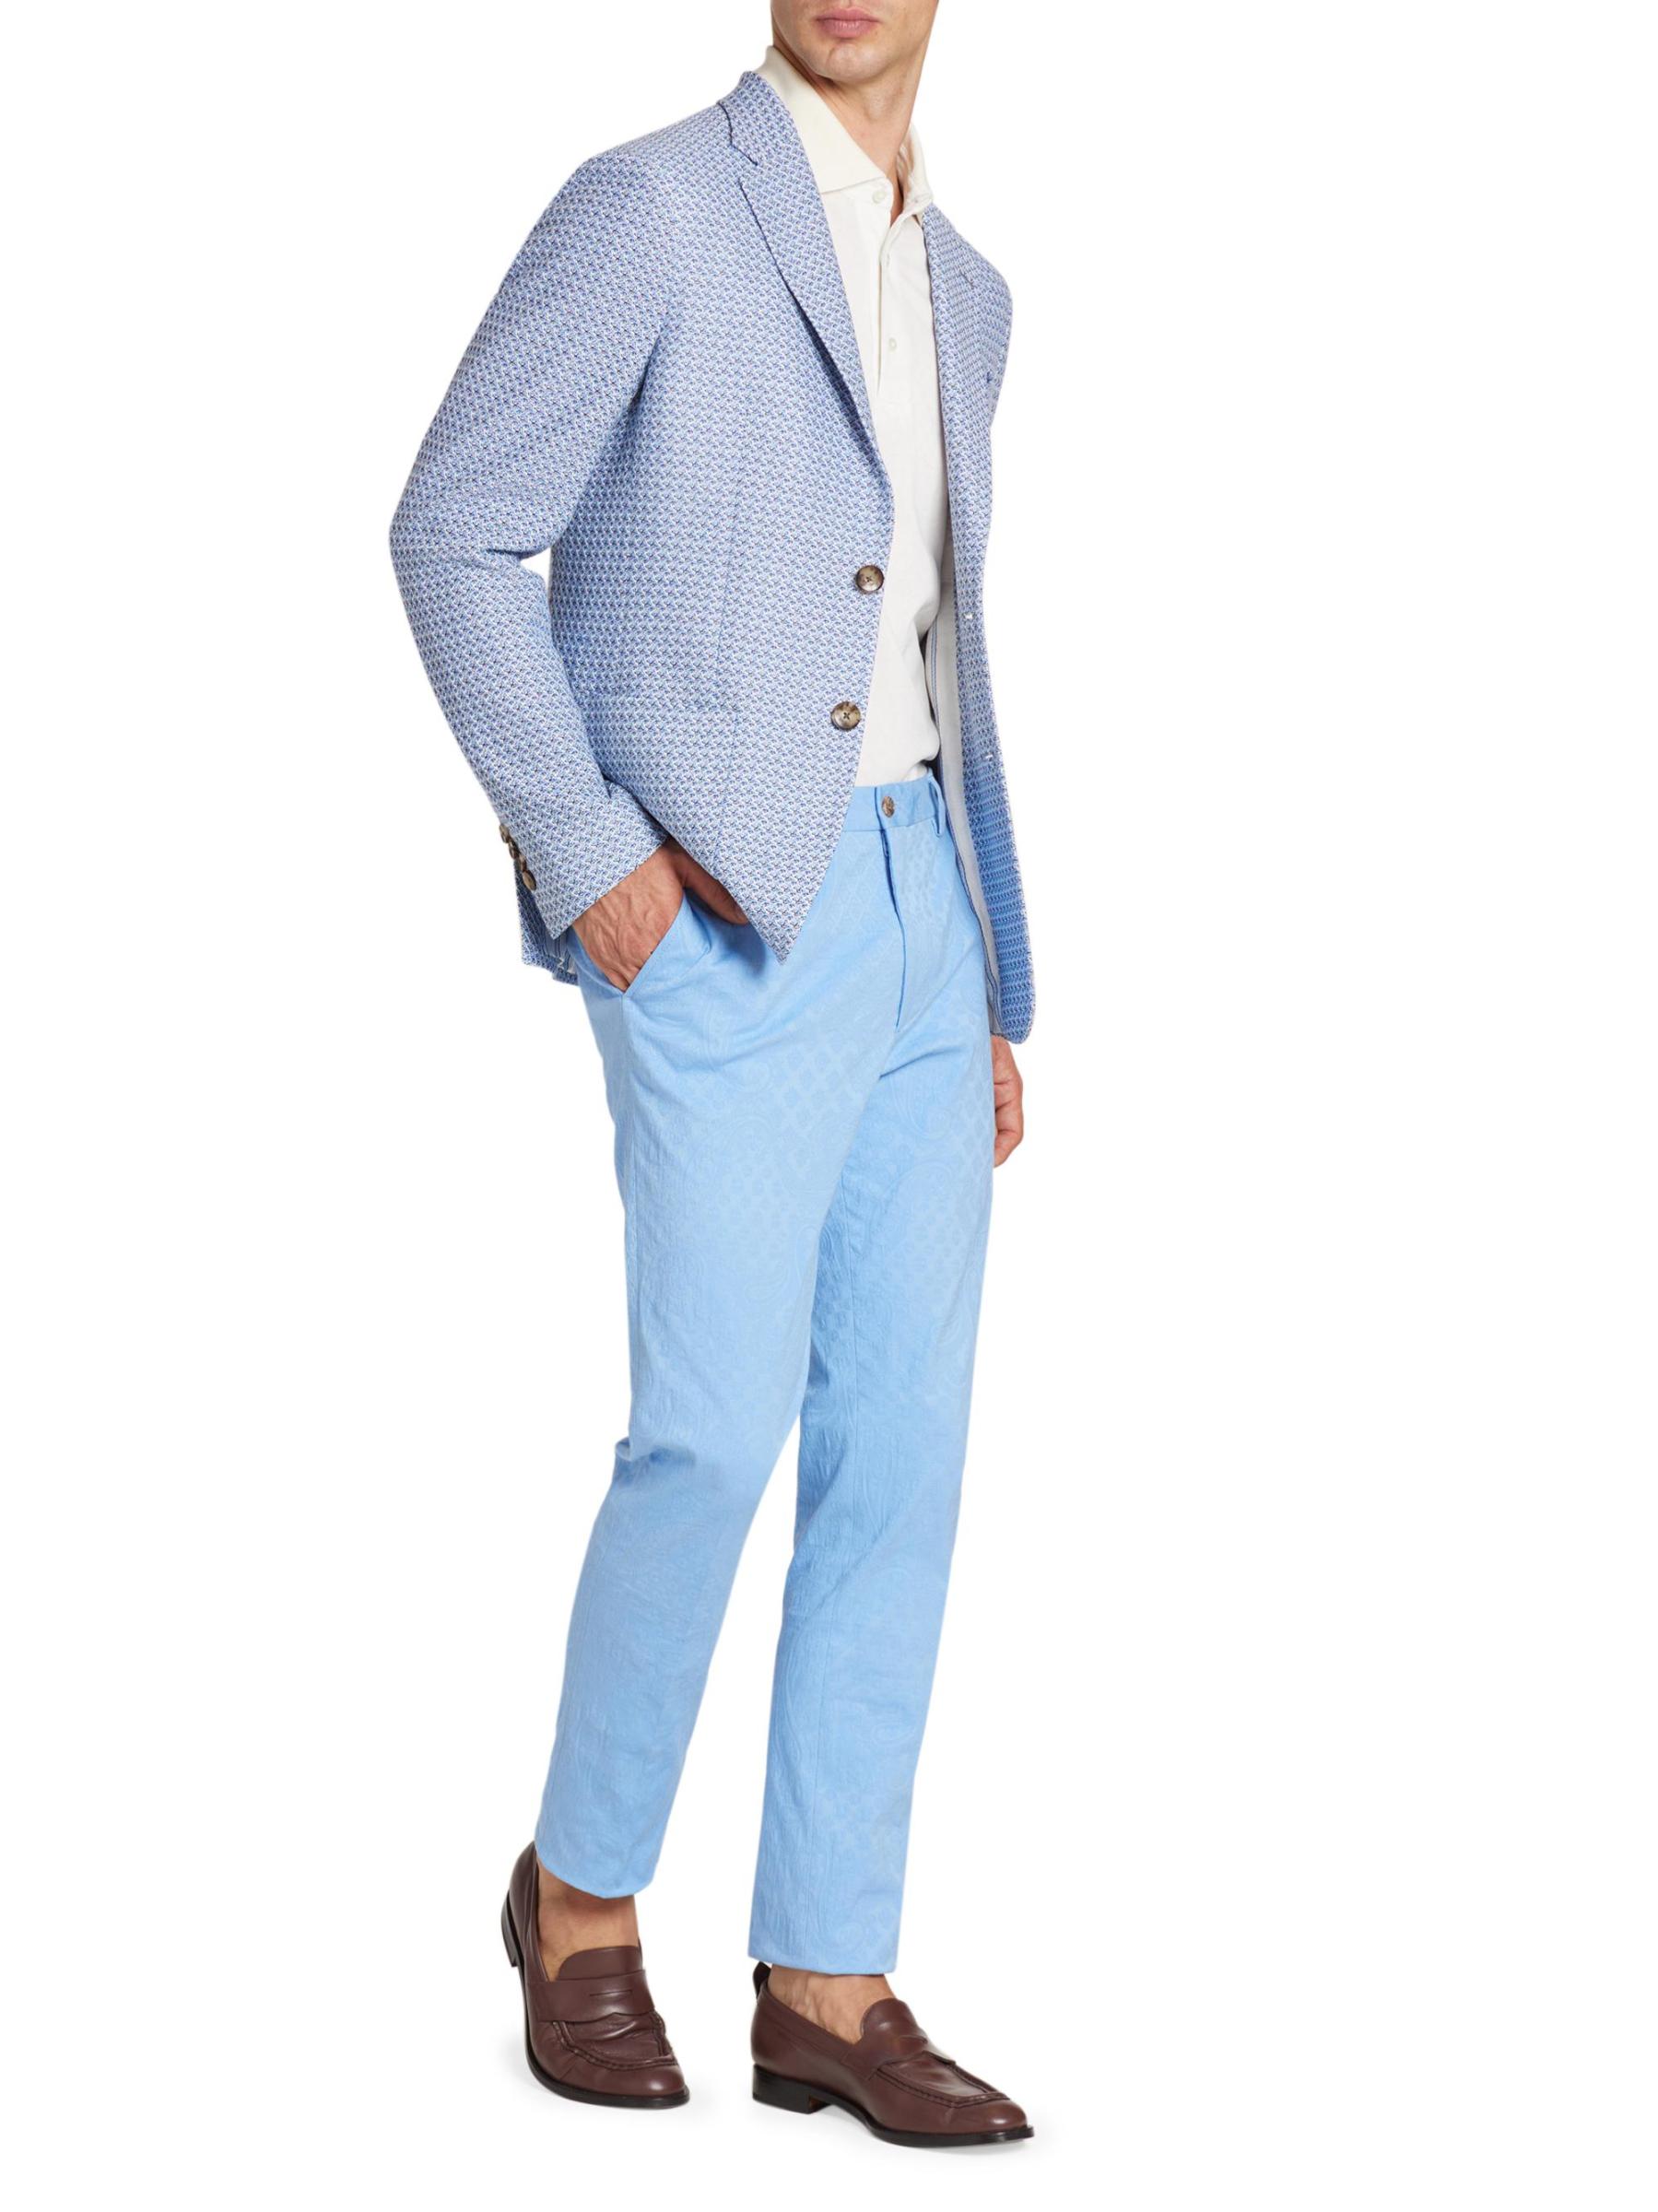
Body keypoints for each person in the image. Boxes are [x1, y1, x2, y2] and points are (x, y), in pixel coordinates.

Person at [392, 1, 1034, 2148]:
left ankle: (827, 1978)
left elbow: (937, 640)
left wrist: (988, 971)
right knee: (708, 1432)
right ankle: (579, 1903)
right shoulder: (652, 209)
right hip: (729, 919)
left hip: (927, 910)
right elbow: (453, 530)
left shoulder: (970, 290)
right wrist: (595, 865)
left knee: (902, 1457)